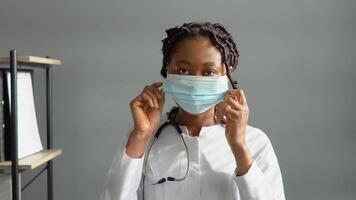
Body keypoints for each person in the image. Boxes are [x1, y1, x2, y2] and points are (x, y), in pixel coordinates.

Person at [99, 22, 286, 200]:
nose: (195, 83)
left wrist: (239, 146)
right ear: (167, 70)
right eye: (184, 70)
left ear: (227, 75)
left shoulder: (254, 142)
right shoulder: (145, 139)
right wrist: (140, 135)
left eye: (208, 72)